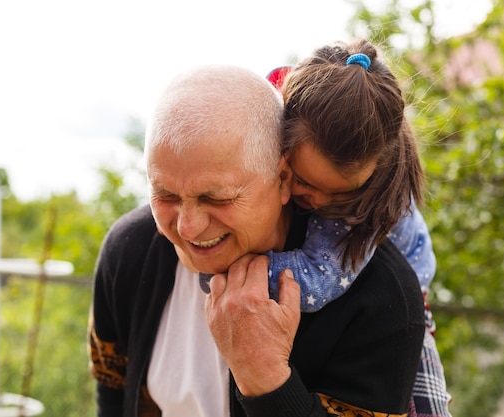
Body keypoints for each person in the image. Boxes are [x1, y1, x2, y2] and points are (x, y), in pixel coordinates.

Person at [88, 63, 425, 417]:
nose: (187, 228)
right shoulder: (130, 249)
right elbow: (112, 398)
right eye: (166, 196)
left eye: (216, 198)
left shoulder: (381, 299)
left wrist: (267, 380)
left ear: (283, 179)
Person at [262, 40, 451, 417]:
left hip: (406, 301)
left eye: (335, 194)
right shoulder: (282, 112)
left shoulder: (372, 205)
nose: (311, 199)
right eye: (300, 178)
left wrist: (236, 265)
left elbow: (316, 283)